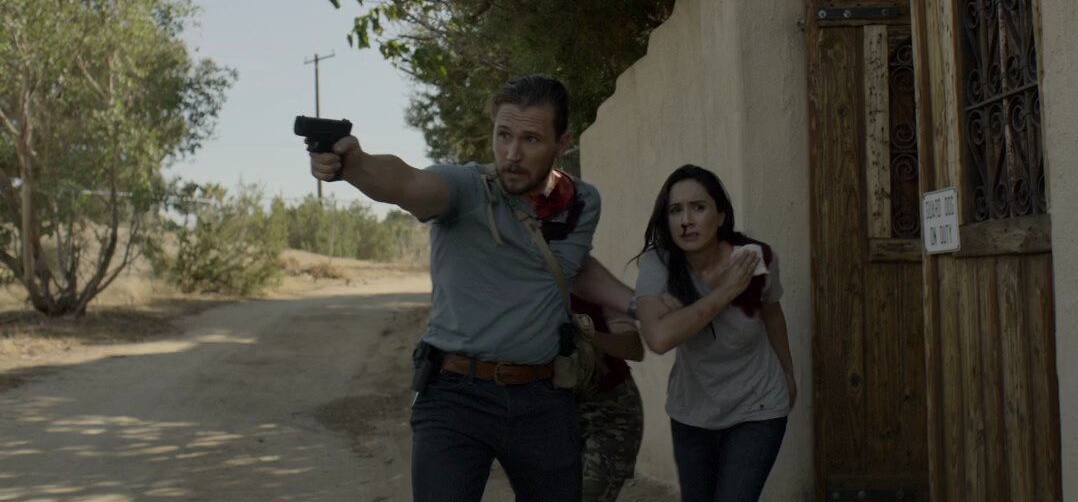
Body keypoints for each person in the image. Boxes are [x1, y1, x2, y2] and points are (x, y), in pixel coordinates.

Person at [307, 75, 630, 502]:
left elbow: (568, 267)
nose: (512, 154)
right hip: (455, 397)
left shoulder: (582, 202)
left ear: (562, 144)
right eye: (504, 135)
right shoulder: (465, 188)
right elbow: (407, 183)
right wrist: (354, 164)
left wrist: (638, 302)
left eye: (531, 139)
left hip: (543, 397)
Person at [632, 164, 797, 502]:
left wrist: (788, 373)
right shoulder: (659, 264)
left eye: (698, 207)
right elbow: (659, 338)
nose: (686, 220)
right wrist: (725, 291)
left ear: (720, 215)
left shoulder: (753, 258)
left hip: (757, 404)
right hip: (692, 411)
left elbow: (772, 313)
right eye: (675, 210)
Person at [572, 296, 645, 502]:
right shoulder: (519, 289)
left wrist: (586, 333)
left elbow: (633, 347)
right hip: (548, 412)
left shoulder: (589, 286)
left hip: (608, 411)